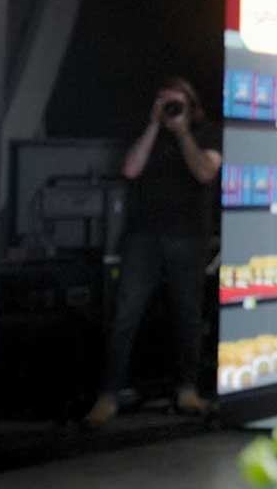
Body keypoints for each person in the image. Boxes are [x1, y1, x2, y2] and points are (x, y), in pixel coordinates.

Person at [87, 77, 220, 426]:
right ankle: (109, 394)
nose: (170, 110)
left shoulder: (205, 133)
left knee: (187, 315)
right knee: (125, 314)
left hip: (188, 237)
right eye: (164, 103)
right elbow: (130, 169)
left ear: (191, 106)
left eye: (176, 103)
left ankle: (187, 389)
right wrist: (153, 124)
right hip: (142, 236)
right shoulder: (149, 131)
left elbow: (206, 172)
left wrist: (181, 133)